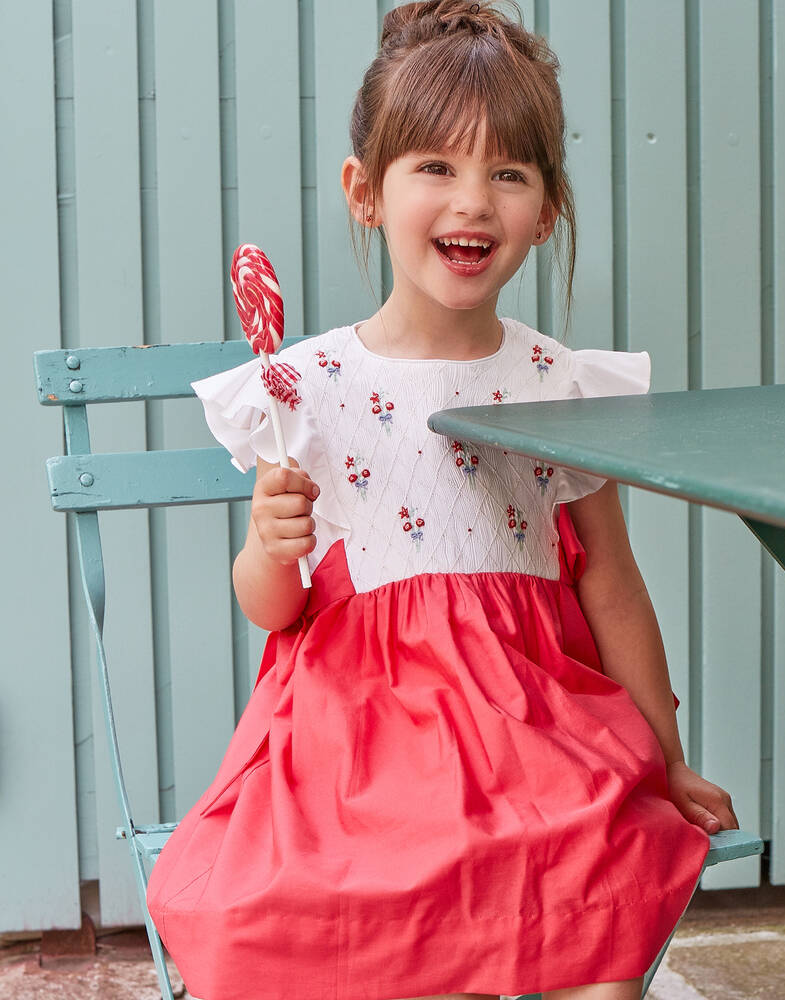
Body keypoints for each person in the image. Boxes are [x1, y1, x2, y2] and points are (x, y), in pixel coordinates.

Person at [146, 3, 737, 999]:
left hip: (533, 727)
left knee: (597, 921)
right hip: (357, 744)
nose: (472, 201)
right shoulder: (306, 390)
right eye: (435, 167)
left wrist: (666, 756)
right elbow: (272, 609)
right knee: (324, 917)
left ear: (545, 209)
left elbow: (616, 591)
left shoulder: (558, 384)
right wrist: (268, 546)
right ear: (365, 192)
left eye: (507, 173)